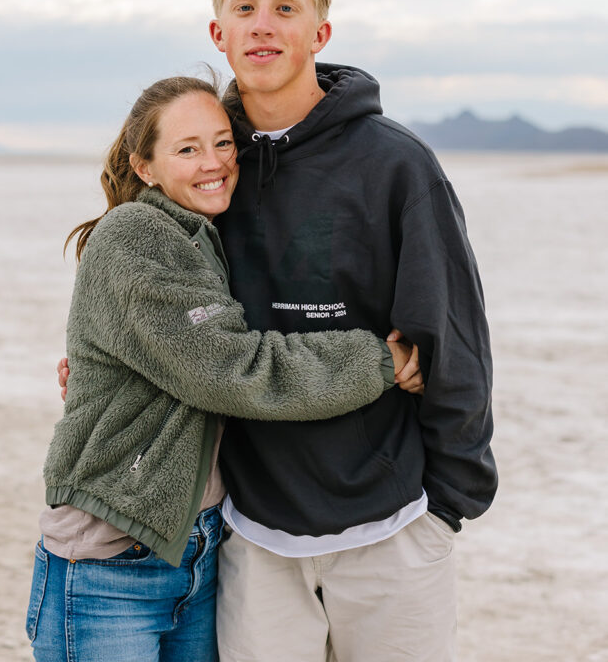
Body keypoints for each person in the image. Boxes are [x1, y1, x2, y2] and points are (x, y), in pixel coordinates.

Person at [31, 75, 423, 662]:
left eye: (222, 143)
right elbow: (234, 369)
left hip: (199, 552)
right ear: (145, 168)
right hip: (108, 563)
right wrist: (378, 360)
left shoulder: (202, 236)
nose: (213, 162)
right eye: (187, 149)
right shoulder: (135, 235)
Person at [205, 0, 497, 662]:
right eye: (244, 7)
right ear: (219, 31)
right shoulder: (205, 168)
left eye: (284, 7)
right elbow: (161, 300)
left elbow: (451, 338)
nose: (262, 24)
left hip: (391, 528)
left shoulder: (394, 165)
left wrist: (447, 507)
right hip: (254, 531)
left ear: (318, 31)